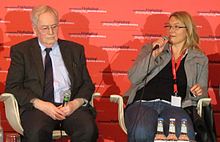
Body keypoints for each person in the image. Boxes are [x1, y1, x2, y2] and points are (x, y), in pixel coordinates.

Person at [5, 5, 98, 142]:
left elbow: (87, 84)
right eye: (45, 28)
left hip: (69, 107)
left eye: (54, 27)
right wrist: (40, 104)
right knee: (37, 131)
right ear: (35, 29)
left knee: (88, 129)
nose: (51, 32)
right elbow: (13, 86)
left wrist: (75, 104)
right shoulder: (22, 51)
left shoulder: (75, 50)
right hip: (38, 109)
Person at [124, 11, 208, 142]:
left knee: (183, 135)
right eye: (169, 26)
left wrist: (198, 92)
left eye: (176, 26)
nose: (171, 30)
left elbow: (203, 93)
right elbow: (134, 77)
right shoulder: (151, 49)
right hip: (143, 103)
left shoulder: (199, 58)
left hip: (174, 107)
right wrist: (153, 55)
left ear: (188, 30)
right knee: (141, 131)